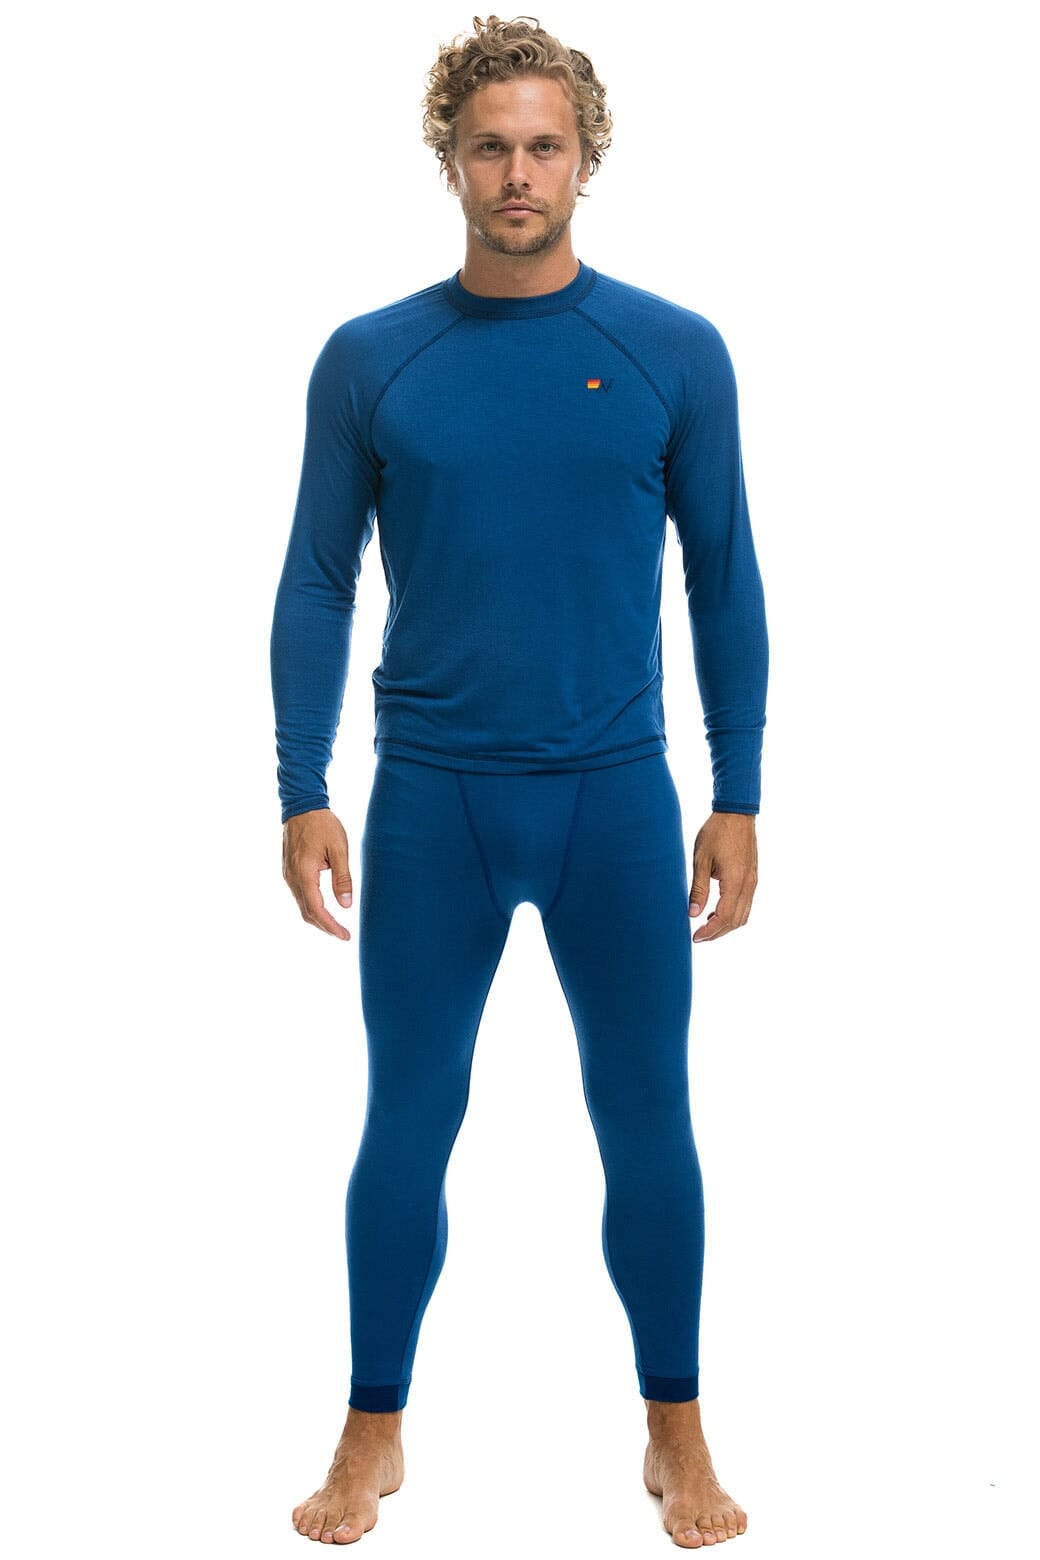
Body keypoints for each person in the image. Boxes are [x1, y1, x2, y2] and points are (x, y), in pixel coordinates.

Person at [271, 13, 765, 1548]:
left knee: (648, 1117)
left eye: (545, 145)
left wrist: (738, 791)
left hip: (615, 795)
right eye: (490, 146)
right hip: (434, 800)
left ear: (587, 157)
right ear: (450, 159)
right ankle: (372, 1431)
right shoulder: (374, 358)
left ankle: (676, 1429)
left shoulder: (672, 351)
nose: (517, 173)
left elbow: (725, 579)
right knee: (408, 1117)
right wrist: (301, 784)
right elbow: (316, 583)